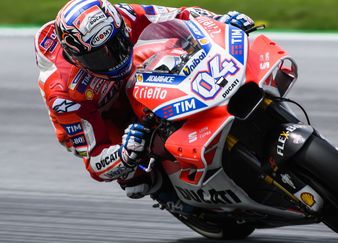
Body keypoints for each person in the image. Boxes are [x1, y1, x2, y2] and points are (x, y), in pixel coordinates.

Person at [35, 0, 255, 199]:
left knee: (177, 51)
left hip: (130, 77)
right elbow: (94, 161)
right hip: (98, 116)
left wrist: (218, 21)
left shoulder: (125, 14)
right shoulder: (64, 94)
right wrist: (124, 154)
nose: (113, 57)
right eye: (99, 56)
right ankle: (174, 196)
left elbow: (179, 16)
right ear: (76, 58)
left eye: (117, 43)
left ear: (119, 26)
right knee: (137, 182)